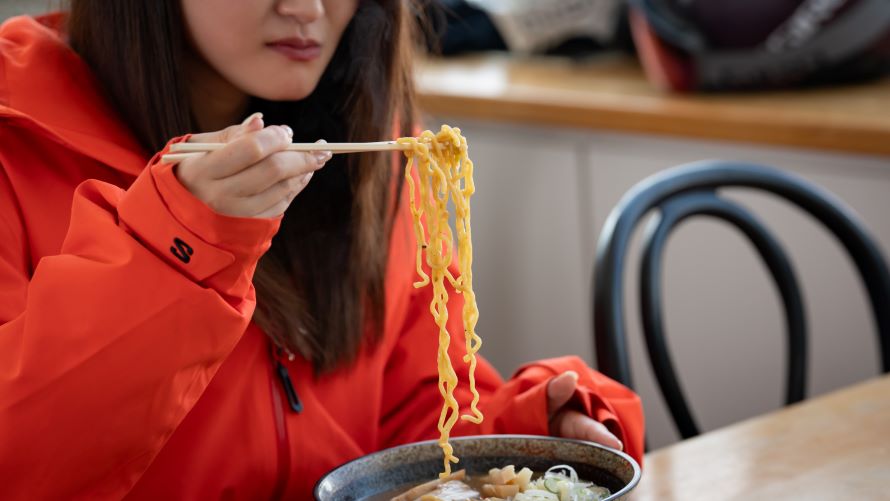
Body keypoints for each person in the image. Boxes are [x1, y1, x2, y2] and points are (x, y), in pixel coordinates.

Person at [0, 1, 644, 499]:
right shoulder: (16, 137)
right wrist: (179, 246)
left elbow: (418, 423)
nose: (308, 8)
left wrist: (530, 439)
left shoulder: (374, 150)